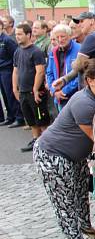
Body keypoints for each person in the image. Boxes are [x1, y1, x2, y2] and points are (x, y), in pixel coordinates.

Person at [33, 58, 95, 239]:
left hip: (75, 157)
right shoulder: (84, 103)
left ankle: (85, 225)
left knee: (80, 193)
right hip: (53, 156)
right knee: (65, 203)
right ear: (90, 81)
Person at [13, 23, 50, 152]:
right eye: (16, 34)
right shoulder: (18, 51)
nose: (17, 37)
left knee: (42, 120)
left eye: (19, 34)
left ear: (28, 35)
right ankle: (36, 142)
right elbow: (15, 71)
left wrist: (35, 89)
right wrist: (14, 88)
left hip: (35, 92)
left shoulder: (36, 51)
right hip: (23, 92)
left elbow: (40, 71)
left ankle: (46, 144)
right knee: (31, 120)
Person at [52, 12, 95, 93]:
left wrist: (73, 63)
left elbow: (78, 65)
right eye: (78, 22)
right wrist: (65, 79)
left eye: (82, 21)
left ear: (92, 21)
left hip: (92, 88)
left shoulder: (92, 37)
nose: (79, 24)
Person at [46, 24, 80, 112]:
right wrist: (53, 90)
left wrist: (65, 90)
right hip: (58, 97)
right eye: (57, 37)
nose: (60, 40)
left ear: (70, 36)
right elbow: (49, 72)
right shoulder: (54, 51)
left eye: (63, 36)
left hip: (74, 96)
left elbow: (81, 74)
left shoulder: (79, 49)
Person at [0, 15, 23, 126]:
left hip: (7, 70)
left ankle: (19, 117)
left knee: (11, 94)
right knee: (5, 95)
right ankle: (10, 116)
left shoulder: (7, 40)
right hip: (1, 70)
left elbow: (15, 55)